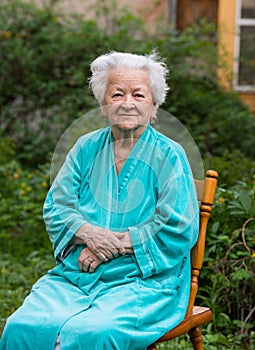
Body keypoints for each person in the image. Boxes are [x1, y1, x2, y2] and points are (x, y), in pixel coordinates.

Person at [0, 51, 199, 350]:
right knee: (22, 327)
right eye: (117, 94)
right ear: (103, 107)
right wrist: (89, 235)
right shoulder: (85, 147)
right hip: (78, 273)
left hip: (142, 281)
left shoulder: (170, 155)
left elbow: (176, 226)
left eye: (138, 94)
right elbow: (58, 206)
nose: (127, 103)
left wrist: (110, 246)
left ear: (154, 107)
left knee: (92, 333)